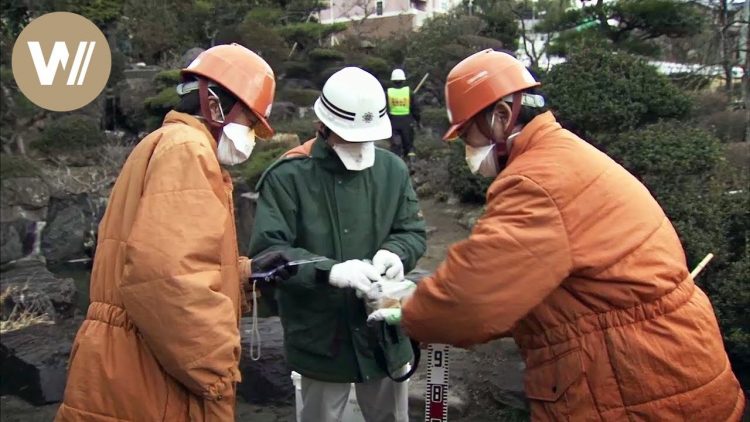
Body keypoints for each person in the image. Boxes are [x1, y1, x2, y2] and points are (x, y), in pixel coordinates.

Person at [368, 49, 746, 421]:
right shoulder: (563, 154)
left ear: (502, 116)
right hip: (665, 366)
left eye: (468, 134)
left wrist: (410, 313)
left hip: (636, 386)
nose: (469, 149)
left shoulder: (538, 181)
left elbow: (473, 301)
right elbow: (511, 273)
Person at [56, 44, 296, 422]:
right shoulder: (189, 150)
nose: (251, 135)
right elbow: (168, 280)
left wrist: (244, 273)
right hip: (150, 378)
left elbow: (167, 259)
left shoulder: (163, 143)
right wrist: (217, 373)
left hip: (127, 363)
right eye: (250, 122)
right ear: (212, 101)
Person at [248, 66, 427, 422]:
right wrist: (329, 272)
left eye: (368, 138)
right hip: (320, 336)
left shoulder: (392, 170)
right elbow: (268, 253)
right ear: (323, 126)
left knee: (390, 415)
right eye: (351, 137)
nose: (361, 147)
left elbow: (411, 231)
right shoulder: (289, 177)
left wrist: (397, 252)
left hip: (383, 331)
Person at [386, 68, 420, 164]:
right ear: (404, 80)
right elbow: (416, 109)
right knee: (409, 145)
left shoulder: (388, 93)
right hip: (407, 122)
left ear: (392, 80)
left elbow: (385, 109)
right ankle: (411, 164)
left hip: (393, 122)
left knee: (396, 146)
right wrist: (417, 121)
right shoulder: (409, 92)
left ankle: (396, 165)